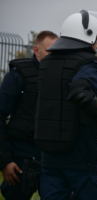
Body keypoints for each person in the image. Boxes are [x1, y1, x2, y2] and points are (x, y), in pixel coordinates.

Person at [34, 10, 97, 200]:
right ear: (86, 35)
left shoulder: (47, 62)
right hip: (84, 157)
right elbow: (80, 94)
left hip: (50, 157)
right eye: (96, 38)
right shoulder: (88, 62)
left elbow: (63, 102)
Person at [0, 31, 58, 200]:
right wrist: (5, 161)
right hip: (21, 156)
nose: (53, 56)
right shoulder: (17, 76)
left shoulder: (61, 76)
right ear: (36, 50)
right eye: (49, 51)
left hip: (52, 156)